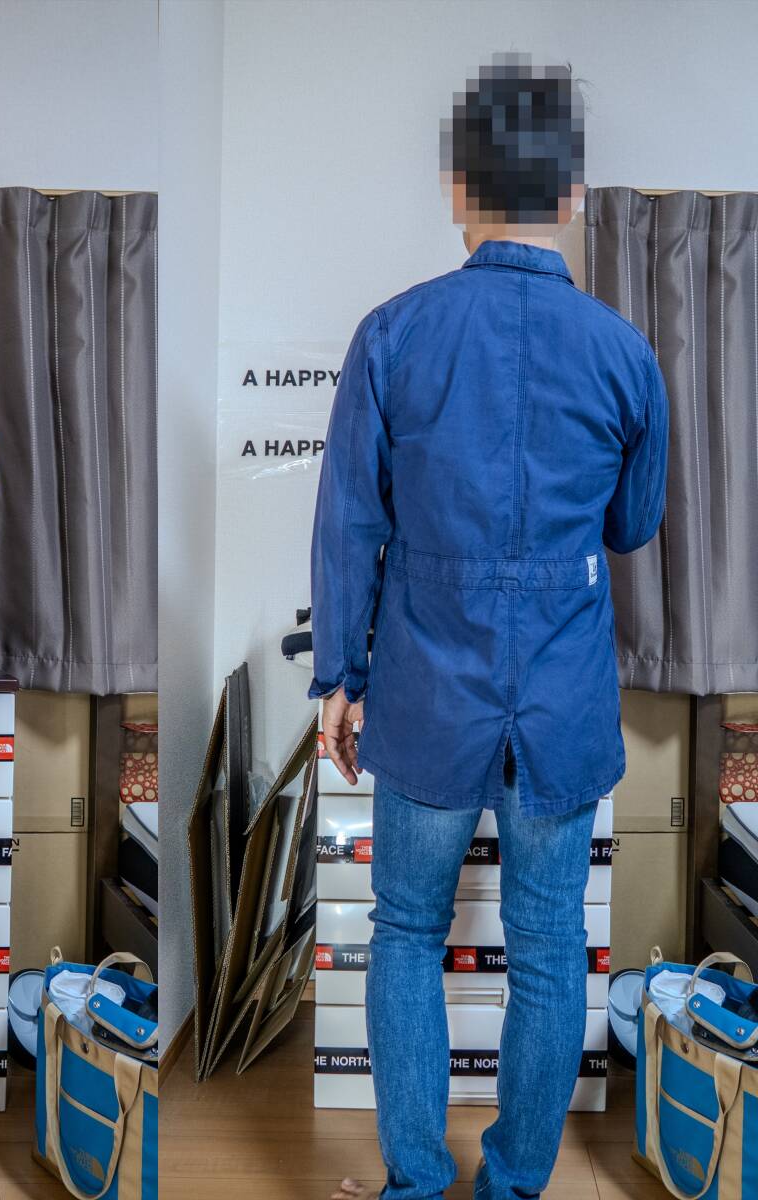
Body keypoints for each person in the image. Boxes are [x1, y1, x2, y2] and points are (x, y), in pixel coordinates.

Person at [311, 54, 667, 1200]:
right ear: (573, 195)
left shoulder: (394, 333)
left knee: (406, 930)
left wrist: (338, 676)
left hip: (425, 686)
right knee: (551, 946)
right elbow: (634, 524)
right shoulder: (624, 353)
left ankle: (417, 1184)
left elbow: (349, 522)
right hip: (562, 698)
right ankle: (514, 1185)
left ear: (457, 186)